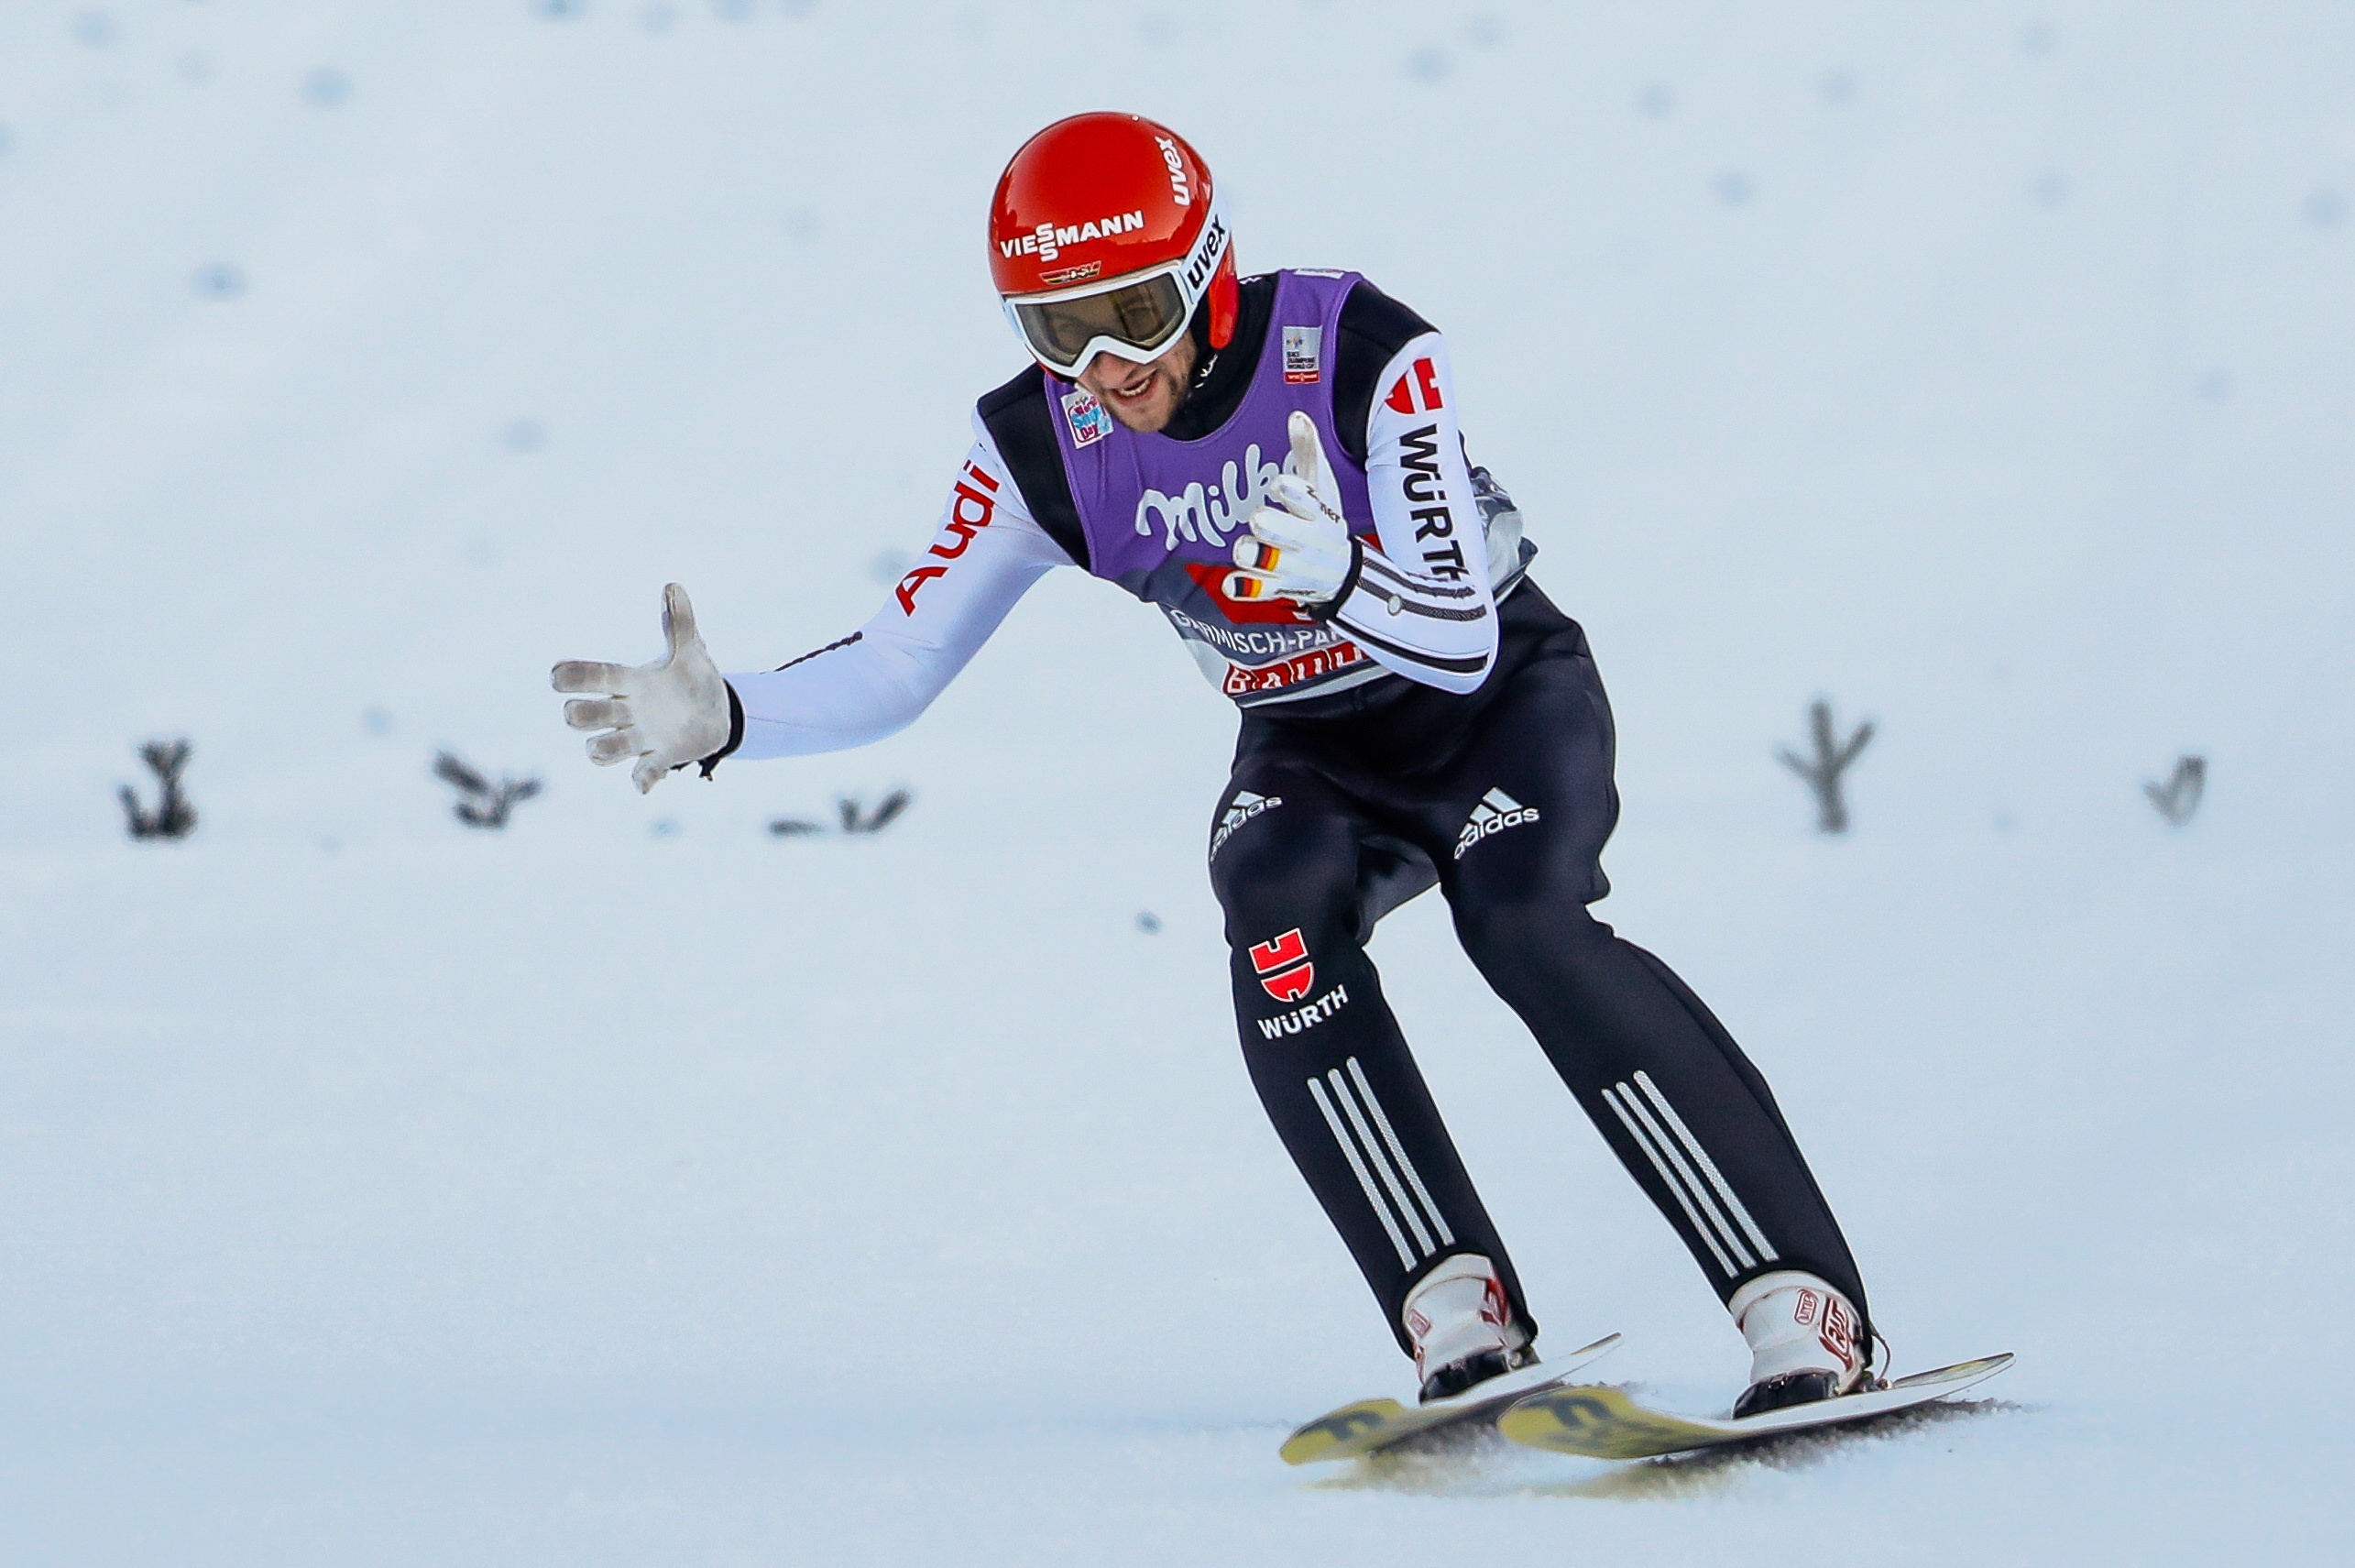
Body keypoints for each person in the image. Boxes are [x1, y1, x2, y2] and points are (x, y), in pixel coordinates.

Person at [553, 112, 1879, 1414]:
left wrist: (1344, 577)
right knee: (1274, 912)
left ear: (1208, 282)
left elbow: (1463, 640)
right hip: (1309, 745)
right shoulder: (1037, 447)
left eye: (1132, 313)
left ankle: (1793, 1305)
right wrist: (736, 716)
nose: (1106, 366)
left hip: (1495, 707)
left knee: (1522, 924)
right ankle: (1451, 1307)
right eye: (1055, 331)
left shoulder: (1357, 349)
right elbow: (904, 661)